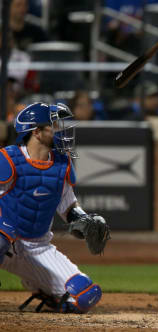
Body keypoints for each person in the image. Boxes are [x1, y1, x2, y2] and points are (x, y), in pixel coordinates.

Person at [0, 102, 110, 313]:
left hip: (38, 247)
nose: (60, 130)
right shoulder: (8, 158)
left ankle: (43, 289)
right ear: (37, 132)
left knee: (85, 296)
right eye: (53, 125)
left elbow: (68, 206)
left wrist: (85, 222)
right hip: (6, 242)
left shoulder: (62, 163)